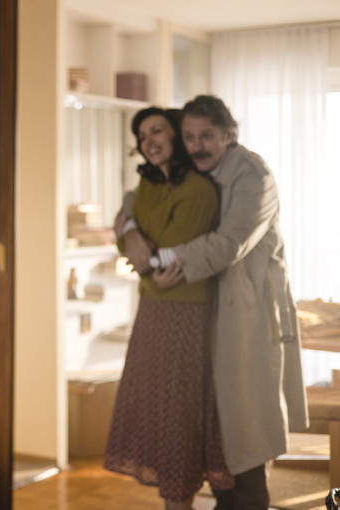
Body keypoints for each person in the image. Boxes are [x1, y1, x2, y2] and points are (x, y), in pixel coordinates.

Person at [118, 95, 308, 510]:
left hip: (245, 316)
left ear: (229, 135)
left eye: (207, 136)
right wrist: (130, 229)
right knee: (216, 438)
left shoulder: (253, 176)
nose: (197, 145)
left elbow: (228, 244)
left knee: (245, 440)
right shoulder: (194, 172)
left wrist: (154, 259)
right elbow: (136, 198)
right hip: (203, 312)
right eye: (189, 137)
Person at [103, 107, 233, 509]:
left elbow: (159, 258)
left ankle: (180, 501)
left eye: (157, 131)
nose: (149, 142)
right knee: (157, 412)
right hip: (152, 308)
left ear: (175, 134)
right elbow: (134, 250)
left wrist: (133, 238)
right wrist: (130, 234)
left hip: (186, 312)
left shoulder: (198, 190)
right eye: (142, 136)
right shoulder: (146, 185)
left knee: (179, 415)